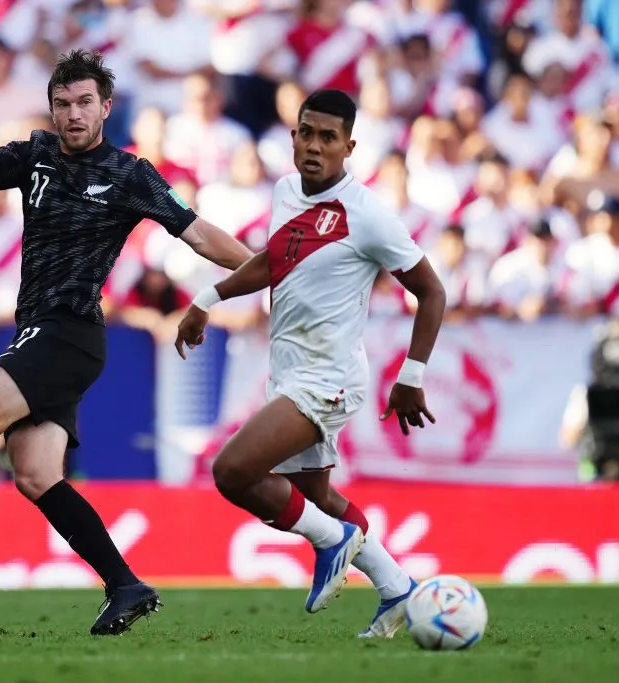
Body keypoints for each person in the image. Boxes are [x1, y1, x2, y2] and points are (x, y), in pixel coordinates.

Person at [0, 47, 251, 634]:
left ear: (106, 107)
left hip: (70, 331)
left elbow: (199, 234)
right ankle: (126, 585)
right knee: (34, 474)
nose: (74, 113)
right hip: (39, 329)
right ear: (52, 109)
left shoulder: (130, 174)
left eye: (85, 102)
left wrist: (266, 270)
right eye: (63, 103)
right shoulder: (35, 155)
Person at [174, 90, 447, 636]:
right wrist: (208, 298)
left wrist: (411, 375)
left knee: (232, 471)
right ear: (293, 136)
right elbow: (274, 261)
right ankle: (397, 587)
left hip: (329, 378)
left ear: (349, 147)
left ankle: (333, 540)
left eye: (328, 137)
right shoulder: (284, 191)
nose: (315, 146)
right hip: (289, 372)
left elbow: (432, 291)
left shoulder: (367, 214)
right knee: (315, 498)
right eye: (307, 133)